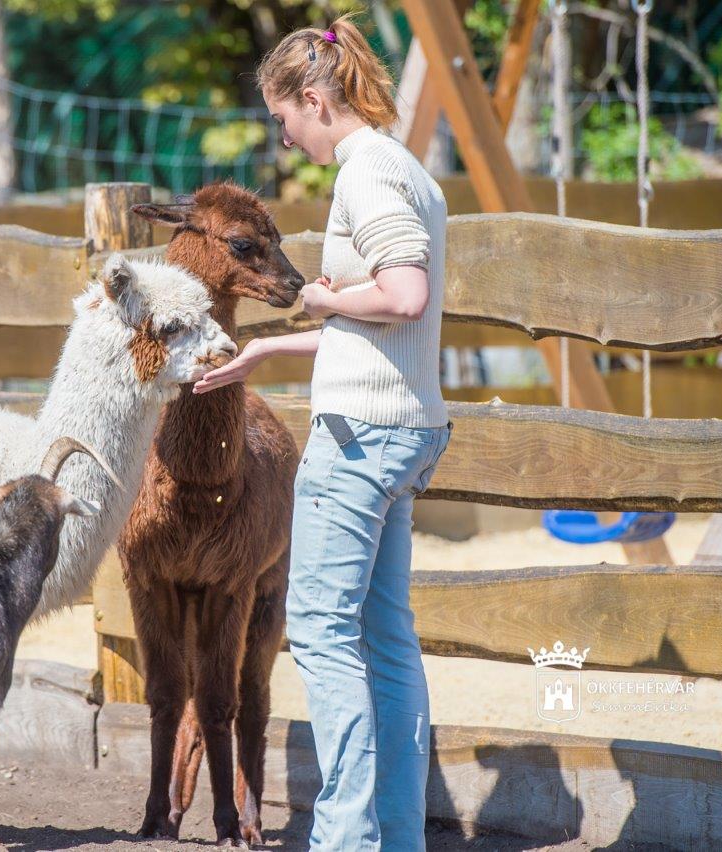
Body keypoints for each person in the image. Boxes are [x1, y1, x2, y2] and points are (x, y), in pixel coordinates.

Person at [192, 14, 452, 851]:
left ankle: (347, 839)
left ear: (313, 98)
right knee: (383, 635)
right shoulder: (407, 167)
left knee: (320, 631)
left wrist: (326, 299)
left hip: (360, 438)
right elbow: (394, 330)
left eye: (284, 118)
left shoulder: (364, 173)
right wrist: (270, 347)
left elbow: (402, 295)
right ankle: (397, 836)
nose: (285, 135)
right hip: (405, 425)